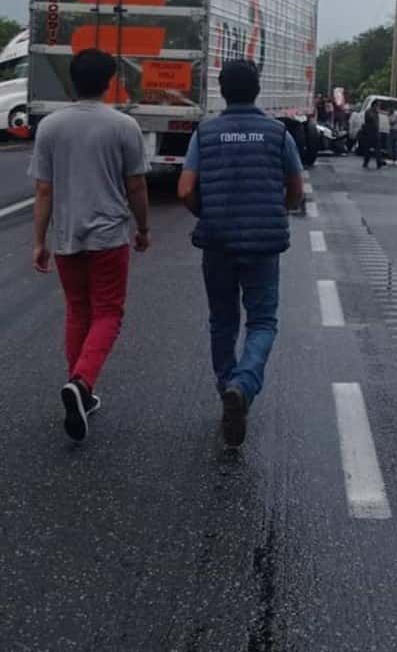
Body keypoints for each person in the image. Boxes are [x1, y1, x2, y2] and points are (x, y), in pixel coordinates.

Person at [178, 59, 304, 447]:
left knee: (222, 320)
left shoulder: (205, 133)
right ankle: (244, 385)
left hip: (217, 241)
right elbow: (296, 189)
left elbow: (184, 190)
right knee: (262, 321)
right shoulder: (278, 134)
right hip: (263, 245)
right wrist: (275, 211)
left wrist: (206, 211)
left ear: (222, 90)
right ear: (258, 89)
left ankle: (227, 387)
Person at [29, 48, 150, 442]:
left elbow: (44, 189)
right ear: (110, 81)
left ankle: (80, 389)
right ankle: (81, 384)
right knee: (109, 313)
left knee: (78, 311)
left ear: (71, 81)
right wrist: (143, 227)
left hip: (67, 235)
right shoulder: (124, 126)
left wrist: (38, 241)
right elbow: (135, 184)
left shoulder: (50, 127)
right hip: (109, 235)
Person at [360, 99, 383, 169]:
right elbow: (371, 118)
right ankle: (366, 162)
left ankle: (379, 163)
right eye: (378, 105)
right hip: (369, 133)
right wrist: (376, 112)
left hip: (375, 133)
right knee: (367, 149)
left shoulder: (376, 112)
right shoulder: (369, 111)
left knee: (378, 149)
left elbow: (377, 123)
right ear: (374, 105)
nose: (379, 107)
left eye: (379, 105)